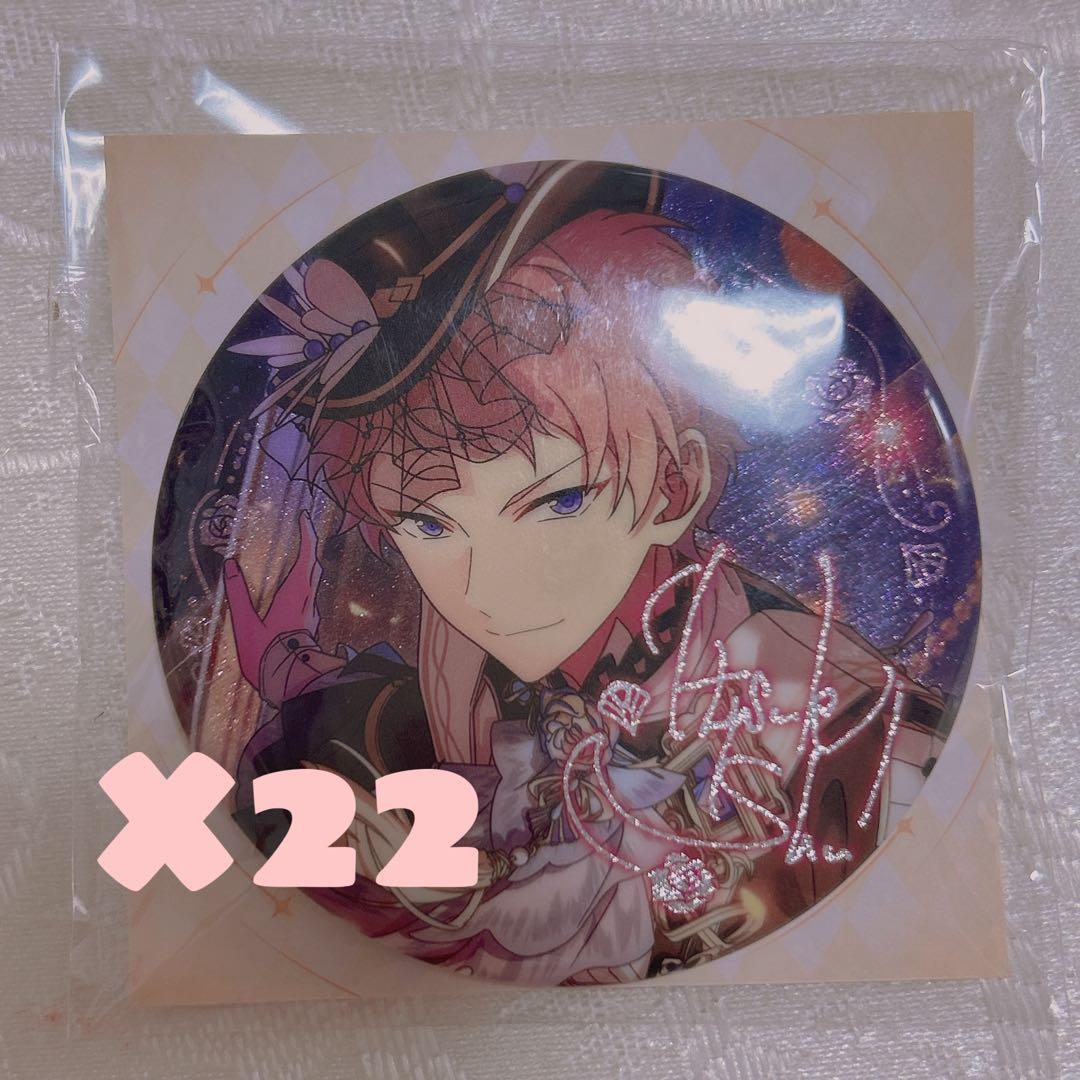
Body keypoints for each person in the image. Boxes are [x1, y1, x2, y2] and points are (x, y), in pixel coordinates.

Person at [221, 174, 945, 984]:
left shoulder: (830, 721)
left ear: (676, 486)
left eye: (557, 501)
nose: (486, 589)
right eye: (427, 526)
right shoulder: (465, 676)